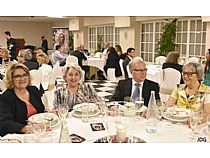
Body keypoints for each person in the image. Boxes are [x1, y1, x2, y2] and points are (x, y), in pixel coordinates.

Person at [0, 63, 45, 136]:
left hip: (39, 132)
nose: (22, 78)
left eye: (25, 75)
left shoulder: (33, 90)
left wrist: (50, 113)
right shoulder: (6, 97)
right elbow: (5, 123)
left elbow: (41, 112)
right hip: (20, 136)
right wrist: (29, 128)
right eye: (17, 76)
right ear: (11, 79)